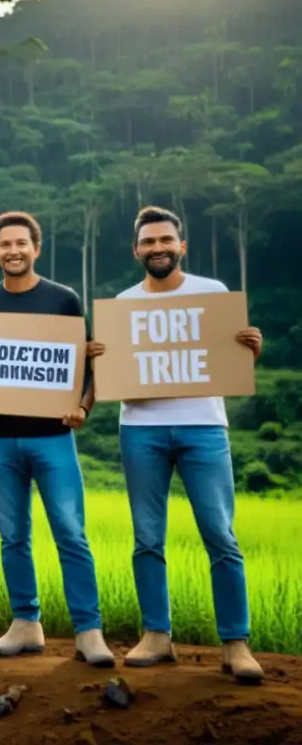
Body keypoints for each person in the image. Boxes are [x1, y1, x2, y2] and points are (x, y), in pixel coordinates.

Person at [87, 206, 265, 684]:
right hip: (140, 429)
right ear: (136, 250)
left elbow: (230, 357)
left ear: (181, 246)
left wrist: (249, 348)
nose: (158, 248)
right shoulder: (122, 304)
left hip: (204, 428)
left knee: (221, 536)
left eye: (166, 240)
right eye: (149, 243)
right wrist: (99, 358)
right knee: (147, 539)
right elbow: (112, 372)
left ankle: (235, 642)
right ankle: (157, 636)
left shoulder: (213, 295)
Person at [0, 211, 114, 668]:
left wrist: (84, 407)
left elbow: (88, 364)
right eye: (5, 245)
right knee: (12, 535)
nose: (13, 251)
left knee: (70, 532)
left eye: (22, 243)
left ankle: (88, 630)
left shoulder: (63, 300)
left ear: (36, 248)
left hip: (52, 437)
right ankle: (25, 623)